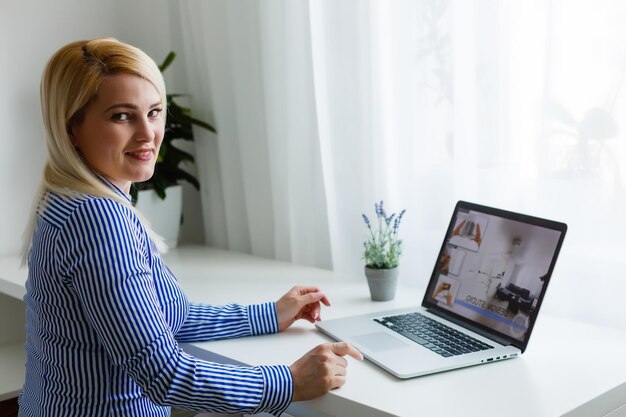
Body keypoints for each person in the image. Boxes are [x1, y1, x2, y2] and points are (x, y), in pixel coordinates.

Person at [19, 38, 362, 417]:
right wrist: (290, 381)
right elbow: (164, 375)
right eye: (121, 116)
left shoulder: (66, 199)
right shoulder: (98, 219)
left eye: (154, 112)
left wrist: (270, 314)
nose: (147, 133)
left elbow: (165, 320)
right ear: (71, 129)